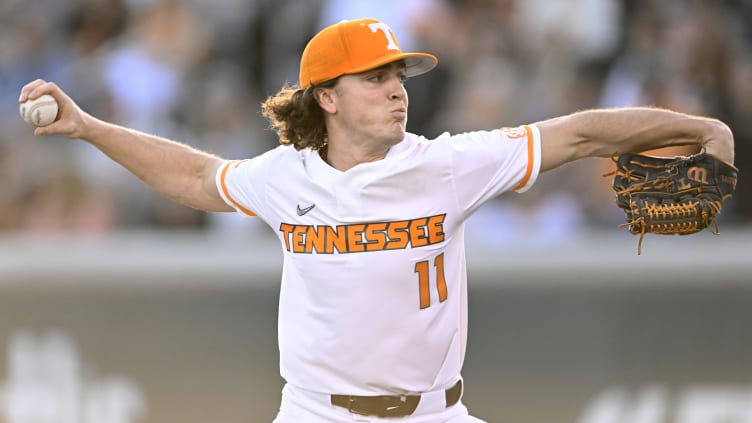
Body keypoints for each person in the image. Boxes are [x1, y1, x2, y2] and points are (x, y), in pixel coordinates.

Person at [19, 18, 734, 423]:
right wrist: (89, 127)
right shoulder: (285, 177)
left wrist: (695, 124)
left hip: (436, 413)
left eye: (400, 78)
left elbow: (579, 134)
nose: (397, 92)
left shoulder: (448, 164)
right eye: (377, 79)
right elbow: (198, 175)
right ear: (326, 98)